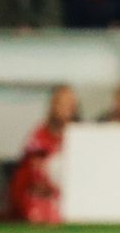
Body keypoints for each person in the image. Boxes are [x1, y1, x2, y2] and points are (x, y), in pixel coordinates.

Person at [9, 85, 78, 223]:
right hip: (44, 199)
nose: (66, 109)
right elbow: (25, 178)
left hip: (73, 200)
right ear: (53, 105)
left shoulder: (80, 136)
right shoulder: (38, 137)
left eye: (70, 105)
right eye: (62, 104)